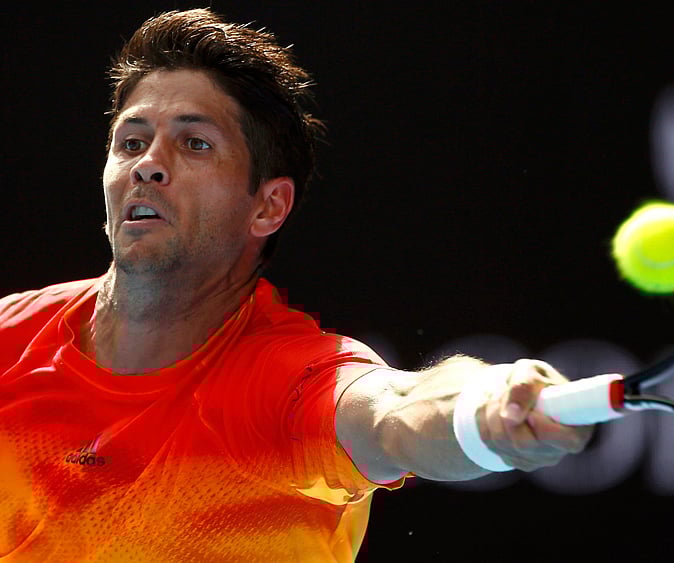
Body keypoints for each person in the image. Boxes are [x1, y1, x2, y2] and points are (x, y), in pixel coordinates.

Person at [0, 8, 594, 562]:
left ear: (267, 207)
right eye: (131, 142)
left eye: (194, 143)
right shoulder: (10, 339)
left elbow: (395, 410)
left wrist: (483, 408)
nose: (148, 164)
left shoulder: (286, 384)